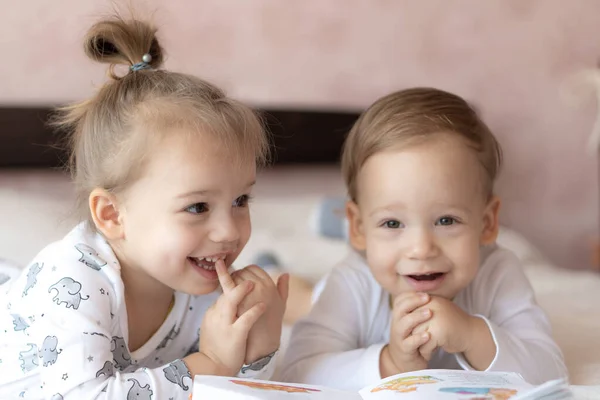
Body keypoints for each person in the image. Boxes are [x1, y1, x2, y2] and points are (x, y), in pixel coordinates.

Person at [0, 15, 288, 399]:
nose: (230, 231)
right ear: (112, 215)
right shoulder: (74, 283)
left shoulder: (201, 282)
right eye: (198, 206)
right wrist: (212, 362)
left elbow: (238, 391)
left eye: (240, 200)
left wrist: (259, 345)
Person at [280, 87, 567, 390]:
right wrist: (391, 363)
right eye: (392, 223)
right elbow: (298, 375)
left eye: (446, 220)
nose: (421, 249)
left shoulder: (498, 272)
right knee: (304, 303)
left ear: (487, 222)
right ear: (359, 229)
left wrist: (472, 334)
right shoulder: (353, 281)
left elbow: (551, 373)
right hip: (330, 293)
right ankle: (286, 277)